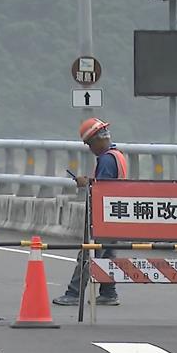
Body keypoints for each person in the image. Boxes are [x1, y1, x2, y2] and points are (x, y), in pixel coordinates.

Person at [53, 117, 129, 307]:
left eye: (89, 143)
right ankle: (108, 293)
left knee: (88, 254)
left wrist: (84, 183)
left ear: (97, 139)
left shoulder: (105, 159)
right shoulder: (117, 155)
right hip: (115, 213)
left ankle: (74, 293)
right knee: (108, 253)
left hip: (104, 215)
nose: (90, 148)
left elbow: (100, 188)